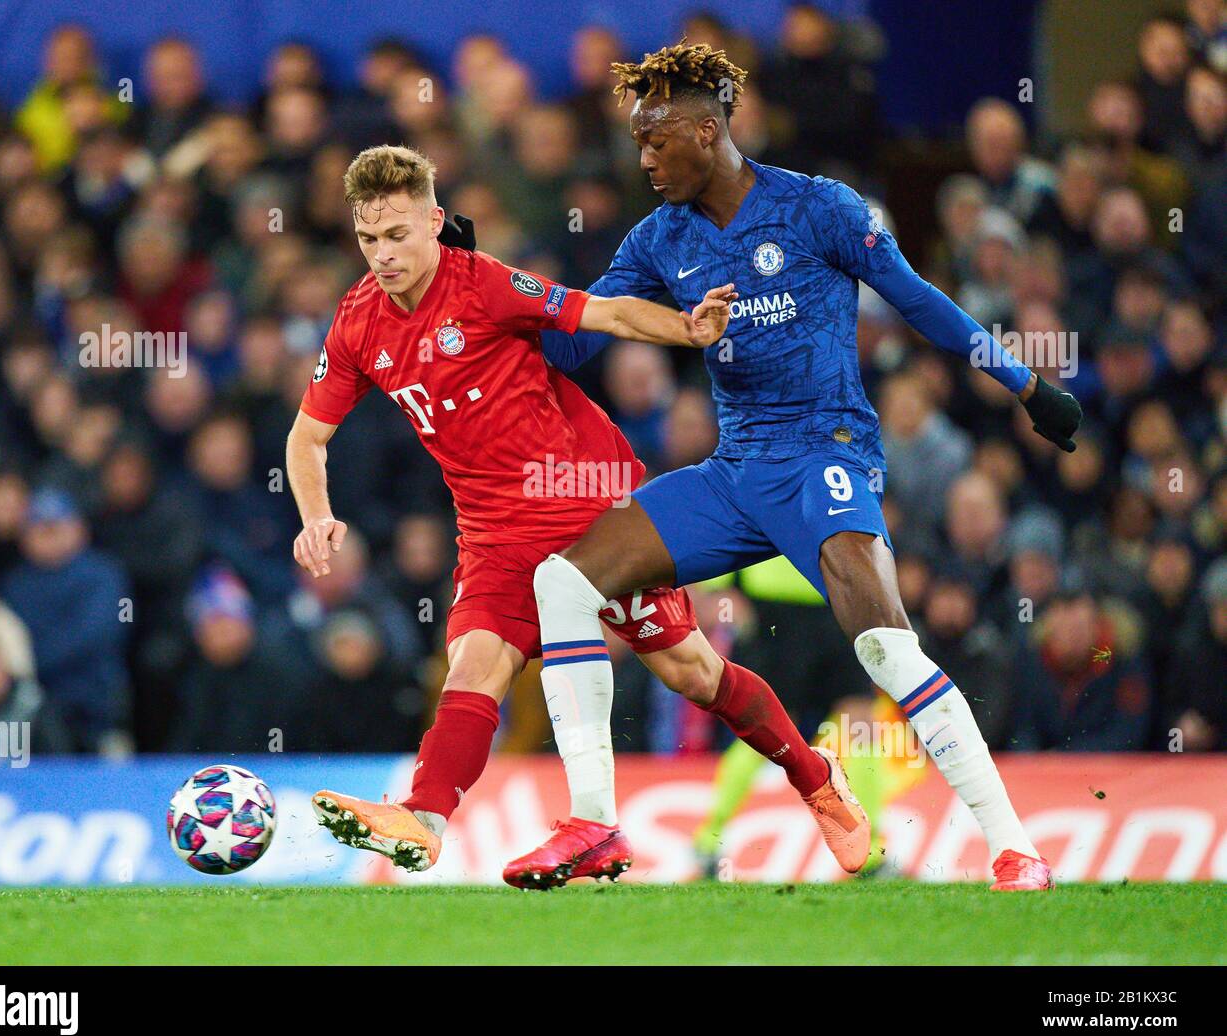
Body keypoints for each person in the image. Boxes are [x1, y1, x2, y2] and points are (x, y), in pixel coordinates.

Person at [531, 42, 1084, 891]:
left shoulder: (818, 207)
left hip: (824, 458)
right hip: (735, 472)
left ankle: (1014, 846)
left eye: (656, 138)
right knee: (562, 585)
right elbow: (566, 343)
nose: (643, 158)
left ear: (709, 130)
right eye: (638, 142)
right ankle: (596, 825)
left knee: (885, 649)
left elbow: (918, 299)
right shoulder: (658, 239)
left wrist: (1023, 382)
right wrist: (488, 289)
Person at [286, 144, 869, 885]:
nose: (383, 254)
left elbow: (603, 311)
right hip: (494, 534)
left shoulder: (488, 287)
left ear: (434, 222)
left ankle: (817, 777)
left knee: (692, 671)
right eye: (369, 238)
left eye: (398, 234)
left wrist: (687, 331)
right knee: (472, 667)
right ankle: (423, 820)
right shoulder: (358, 322)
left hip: (588, 508)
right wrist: (315, 514)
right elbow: (307, 436)